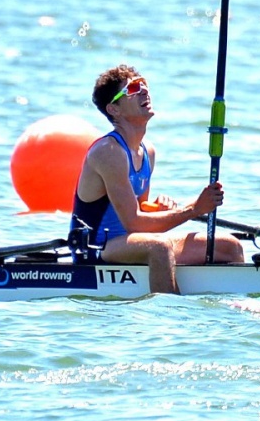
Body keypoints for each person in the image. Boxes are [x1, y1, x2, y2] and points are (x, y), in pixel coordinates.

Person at [68, 64, 244, 294]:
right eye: (132, 88)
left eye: (143, 84)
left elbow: (139, 210)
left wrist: (156, 209)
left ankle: (234, 305)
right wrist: (193, 209)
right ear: (114, 110)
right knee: (159, 247)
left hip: (128, 241)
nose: (143, 90)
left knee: (229, 246)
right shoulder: (108, 152)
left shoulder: (147, 151)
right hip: (97, 247)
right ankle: (172, 314)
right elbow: (133, 223)